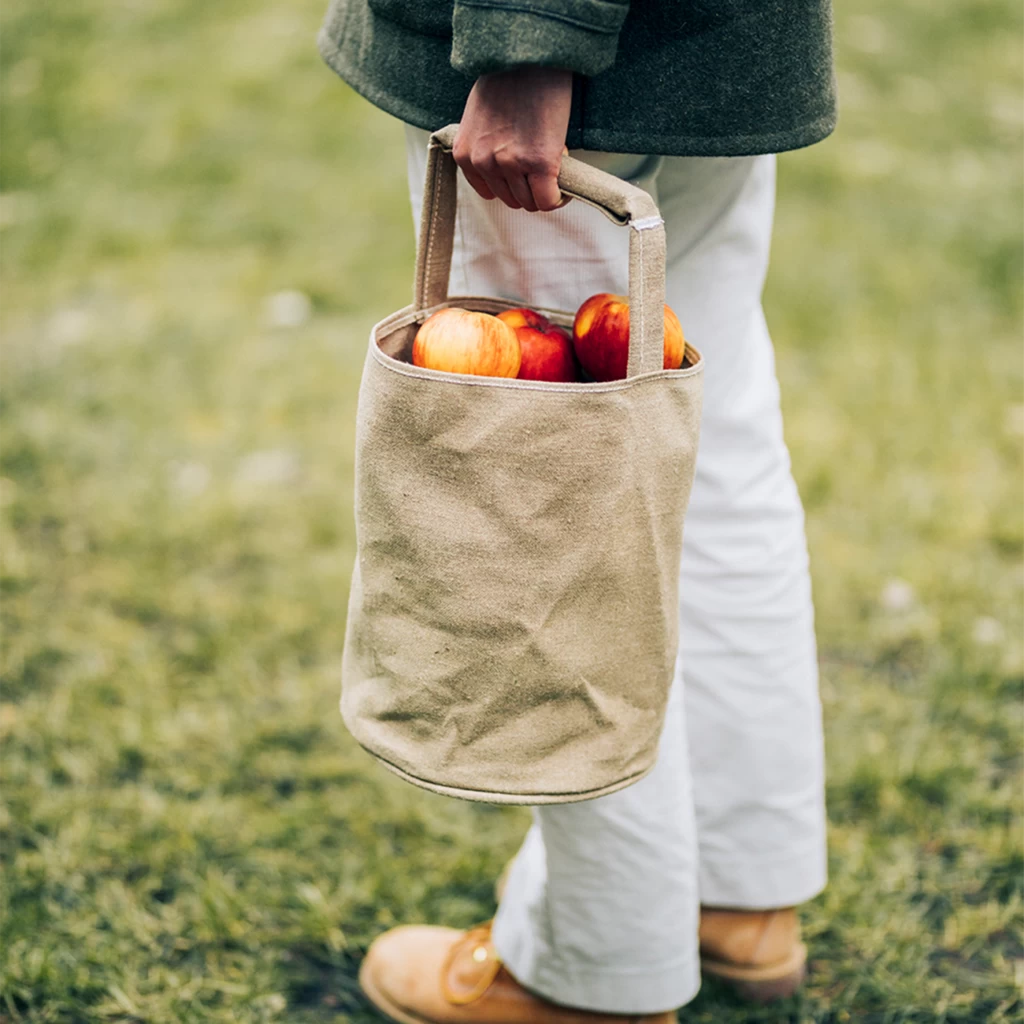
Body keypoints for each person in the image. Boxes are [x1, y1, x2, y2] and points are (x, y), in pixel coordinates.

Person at [319, 1, 836, 1020]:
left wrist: (530, 42)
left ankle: (596, 967)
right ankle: (735, 891)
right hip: (719, 42)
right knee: (711, 445)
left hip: (571, 65)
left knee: (550, 497)